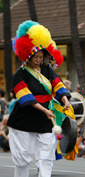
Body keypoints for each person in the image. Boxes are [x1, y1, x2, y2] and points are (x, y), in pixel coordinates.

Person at [7, 20, 71, 177]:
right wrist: (44, 110)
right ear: (28, 56)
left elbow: (58, 85)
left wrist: (65, 99)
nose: (38, 60)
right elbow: (25, 97)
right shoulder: (19, 75)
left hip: (45, 119)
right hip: (25, 118)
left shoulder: (47, 71)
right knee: (24, 158)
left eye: (41, 57)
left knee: (46, 154)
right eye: (35, 57)